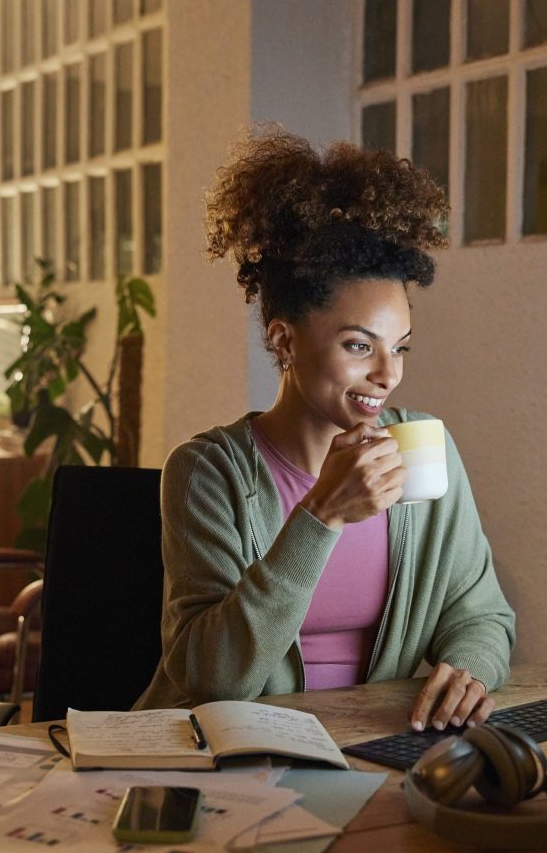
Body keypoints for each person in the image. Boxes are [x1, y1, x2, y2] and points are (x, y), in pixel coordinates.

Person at [134, 127, 515, 732]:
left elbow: (482, 615)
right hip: (222, 752)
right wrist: (320, 517)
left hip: (372, 747)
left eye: (401, 348)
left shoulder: (421, 448)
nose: (388, 374)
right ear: (284, 340)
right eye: (359, 345)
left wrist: (467, 672)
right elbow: (211, 678)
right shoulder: (209, 471)